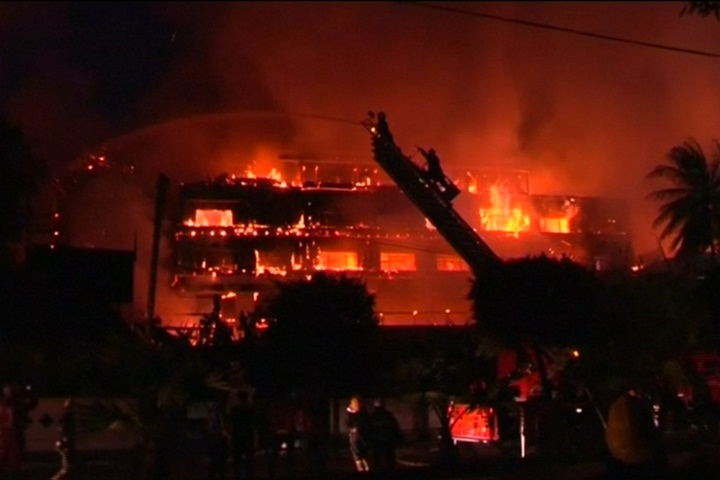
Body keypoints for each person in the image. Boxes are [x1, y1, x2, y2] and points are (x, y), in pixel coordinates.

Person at [227, 391, 257, 480]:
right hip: (248, 435)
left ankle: (237, 476)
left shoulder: (234, 410)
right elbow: (254, 425)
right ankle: (249, 476)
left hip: (238, 436)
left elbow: (230, 424)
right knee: (249, 460)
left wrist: (230, 437)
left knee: (237, 460)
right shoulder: (251, 409)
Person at [368, 398, 402, 472]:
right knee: (389, 459)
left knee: (378, 460)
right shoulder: (388, 415)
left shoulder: (372, 416)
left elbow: (368, 430)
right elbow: (395, 428)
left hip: (378, 441)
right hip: (388, 441)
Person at [206, 400, 229, 480]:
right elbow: (212, 428)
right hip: (216, 438)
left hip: (218, 438)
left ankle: (217, 473)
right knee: (216, 457)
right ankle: (215, 474)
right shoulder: (213, 415)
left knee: (218, 457)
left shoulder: (217, 415)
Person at [346, 397, 370, 472]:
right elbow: (348, 424)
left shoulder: (357, 413)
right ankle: (363, 468)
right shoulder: (362, 413)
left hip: (359, 436)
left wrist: (353, 429)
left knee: (358, 453)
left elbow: (348, 424)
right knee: (360, 453)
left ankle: (363, 468)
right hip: (359, 436)